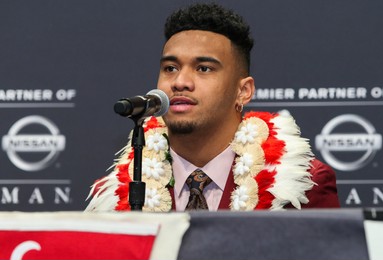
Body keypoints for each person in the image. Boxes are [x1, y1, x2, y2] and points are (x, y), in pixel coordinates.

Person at [85, 2, 340, 212]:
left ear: (243, 91)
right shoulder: (115, 197)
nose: (180, 82)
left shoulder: (303, 188)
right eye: (170, 68)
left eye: (204, 68)